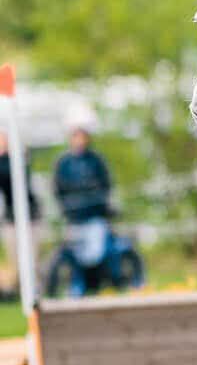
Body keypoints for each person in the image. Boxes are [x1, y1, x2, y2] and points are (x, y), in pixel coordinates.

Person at [53, 113, 115, 276]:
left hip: (94, 215)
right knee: (76, 254)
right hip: (74, 217)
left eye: (82, 136)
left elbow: (106, 185)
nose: (79, 140)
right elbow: (58, 189)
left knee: (96, 254)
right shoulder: (64, 163)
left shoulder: (96, 160)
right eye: (76, 136)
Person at [0, 129, 41, 299]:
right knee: (15, 260)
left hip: (30, 217)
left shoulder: (18, 160)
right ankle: (17, 292)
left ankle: (34, 292)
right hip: (11, 217)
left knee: (32, 259)